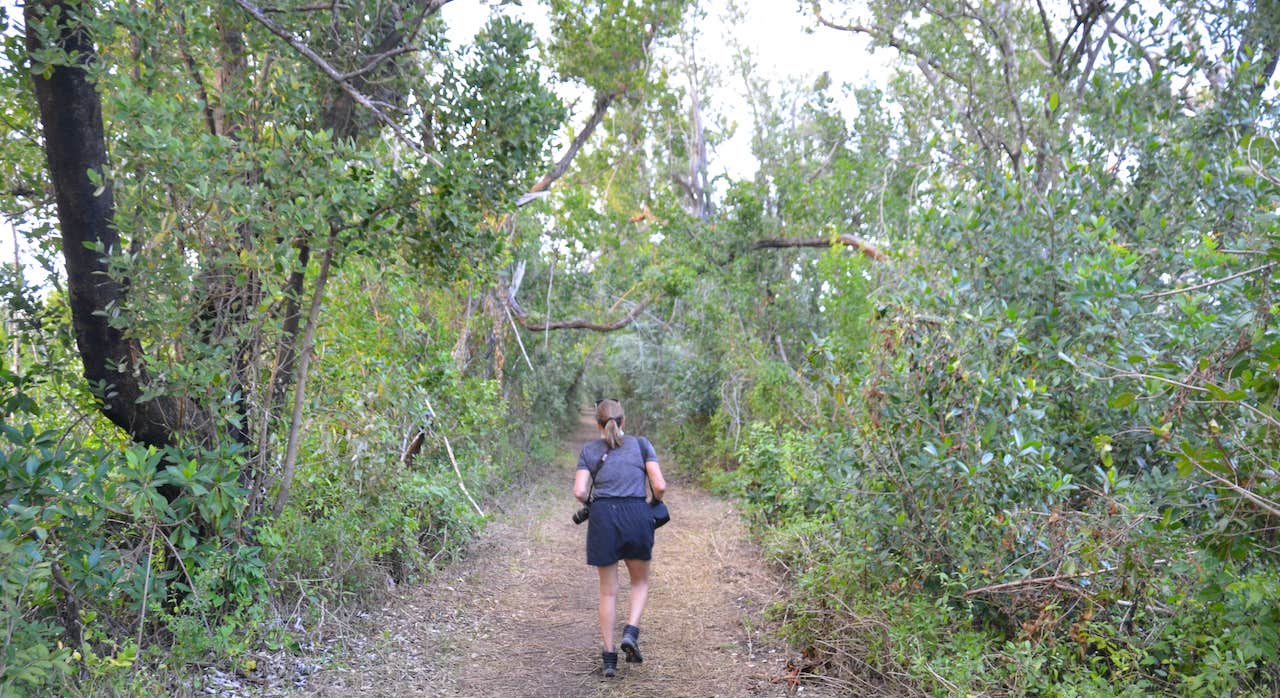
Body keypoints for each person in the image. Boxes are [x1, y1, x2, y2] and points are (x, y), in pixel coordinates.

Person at [573, 398, 667, 678]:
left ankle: (609, 657)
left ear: (597, 424)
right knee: (639, 581)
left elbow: (579, 491)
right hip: (637, 514)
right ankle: (631, 632)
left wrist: (592, 501)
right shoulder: (641, 445)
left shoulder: (589, 450)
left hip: (603, 518)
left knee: (608, 591)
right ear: (623, 421)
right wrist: (652, 502)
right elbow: (660, 485)